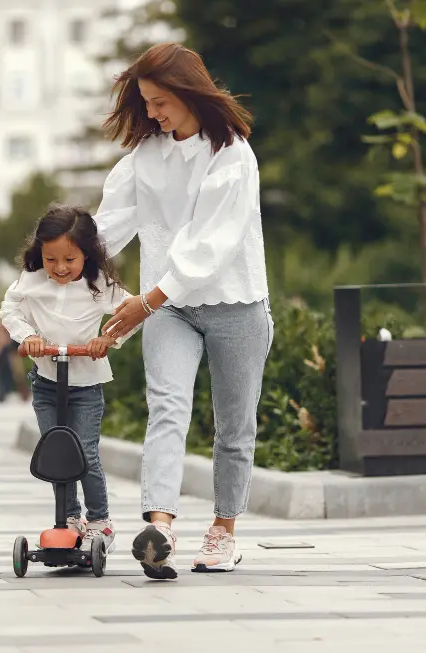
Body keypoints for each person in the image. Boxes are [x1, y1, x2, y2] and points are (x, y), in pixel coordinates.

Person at [94, 42, 273, 579]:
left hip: (235, 304)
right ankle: (161, 527)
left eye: (160, 102)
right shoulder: (146, 158)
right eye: (146, 102)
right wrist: (55, 266)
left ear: (189, 94)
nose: (152, 113)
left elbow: (209, 246)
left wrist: (143, 302)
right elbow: (108, 227)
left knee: (234, 426)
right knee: (166, 408)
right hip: (169, 310)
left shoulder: (234, 156)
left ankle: (223, 531)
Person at [0, 204, 140, 554]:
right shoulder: (31, 281)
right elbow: (9, 309)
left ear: (86, 254)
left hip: (86, 386)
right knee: (56, 453)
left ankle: (99, 520)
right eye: (51, 260)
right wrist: (28, 336)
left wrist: (107, 339)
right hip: (46, 382)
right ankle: (70, 518)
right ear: (40, 255)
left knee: (86, 454)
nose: (60, 268)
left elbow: (132, 312)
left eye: (69, 259)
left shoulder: (98, 286)